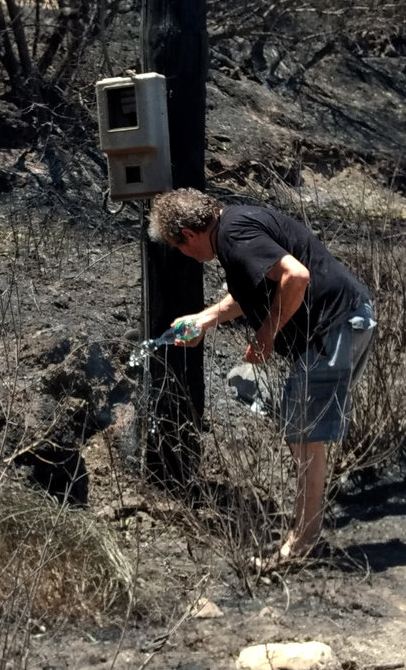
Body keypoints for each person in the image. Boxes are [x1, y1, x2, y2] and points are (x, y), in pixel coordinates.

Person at [149, 188, 377, 567]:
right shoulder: (235, 226)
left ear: (188, 235)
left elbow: (296, 276)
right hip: (341, 323)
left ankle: (301, 545)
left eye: (180, 247)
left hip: (333, 326)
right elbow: (254, 290)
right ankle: (307, 528)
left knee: (306, 438)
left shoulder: (234, 236)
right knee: (302, 432)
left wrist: (266, 336)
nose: (185, 255)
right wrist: (205, 319)